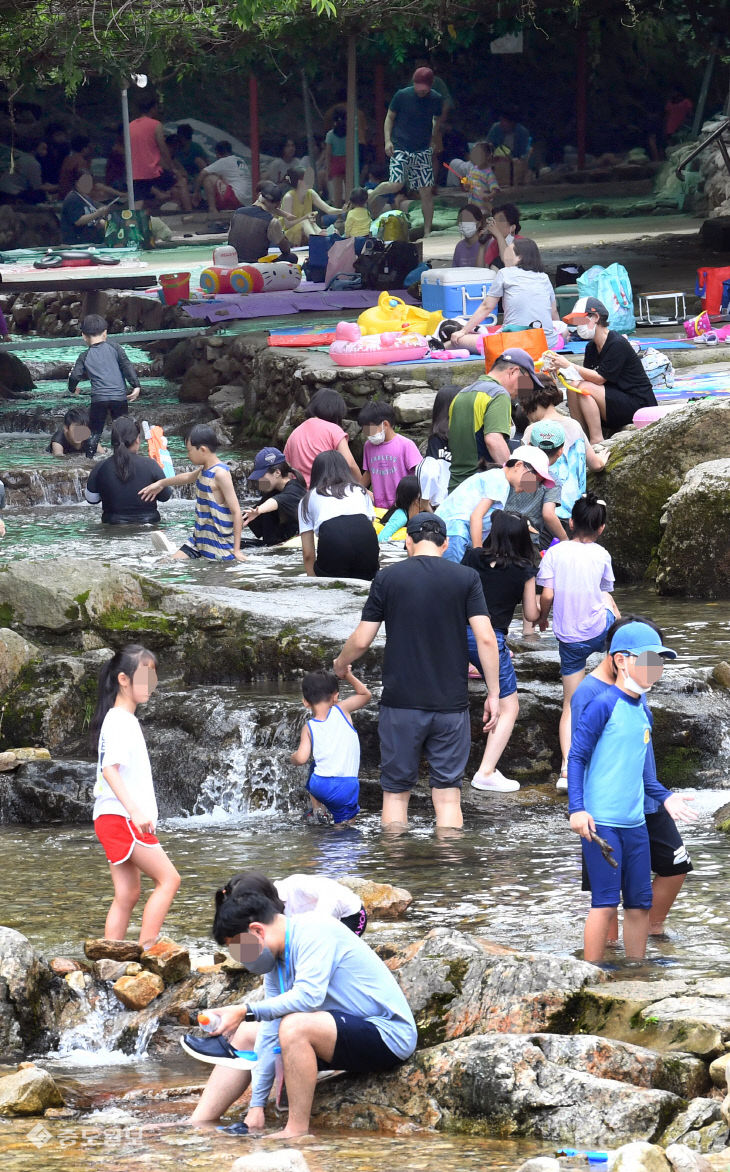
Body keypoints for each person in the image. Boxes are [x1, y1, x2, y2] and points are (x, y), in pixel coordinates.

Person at [184, 886, 418, 1137]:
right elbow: (270, 1029)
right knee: (248, 1034)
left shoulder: (315, 930)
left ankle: (296, 1130)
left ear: (256, 931)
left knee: (294, 1027)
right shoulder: (276, 961)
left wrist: (245, 1009)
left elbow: (309, 997)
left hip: (387, 1034)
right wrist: (256, 1105)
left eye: (238, 948)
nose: (240, 958)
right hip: (341, 1034)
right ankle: (197, 1123)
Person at [334, 512, 500, 830]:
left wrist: (340, 664)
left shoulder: (387, 578)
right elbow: (486, 638)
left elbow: (362, 638)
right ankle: (446, 875)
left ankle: (396, 871)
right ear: (446, 543)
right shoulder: (466, 578)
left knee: (396, 794)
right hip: (450, 705)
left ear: (408, 541)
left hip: (401, 704)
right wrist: (493, 692)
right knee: (449, 797)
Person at [568, 623, 696, 964]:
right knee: (606, 900)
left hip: (636, 822)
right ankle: (591, 976)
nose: (657, 668)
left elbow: (644, 774)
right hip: (602, 822)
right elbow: (576, 757)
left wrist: (666, 797)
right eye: (650, 660)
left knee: (639, 902)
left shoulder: (643, 710)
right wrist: (577, 809)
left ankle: (637, 972)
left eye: (661, 662)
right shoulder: (600, 702)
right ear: (621, 660)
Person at [90, 644, 180, 949]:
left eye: (153, 677)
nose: (150, 685)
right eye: (145, 676)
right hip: (123, 817)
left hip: (109, 816)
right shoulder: (119, 721)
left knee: (127, 894)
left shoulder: (120, 719)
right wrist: (137, 812)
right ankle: (147, 951)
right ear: (123, 679)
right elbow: (109, 770)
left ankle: (107, 957)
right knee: (169, 880)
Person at [537, 493, 620, 790]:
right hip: (599, 632)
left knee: (571, 704)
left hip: (570, 639)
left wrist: (543, 618)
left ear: (570, 522)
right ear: (601, 529)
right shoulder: (601, 554)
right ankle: (617, 663)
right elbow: (604, 589)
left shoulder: (556, 553)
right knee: (608, 601)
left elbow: (546, 595)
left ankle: (566, 771)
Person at [462, 510, 540, 792]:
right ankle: (486, 771)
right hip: (489, 640)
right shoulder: (525, 568)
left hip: (457, 633)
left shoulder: (473, 557)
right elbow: (531, 614)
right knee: (510, 706)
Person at [544, 297, 656, 444]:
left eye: (580, 320)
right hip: (613, 401)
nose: (578, 326)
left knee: (584, 388)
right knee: (573, 387)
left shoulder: (617, 343)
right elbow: (583, 376)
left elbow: (599, 378)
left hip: (637, 404)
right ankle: (580, 437)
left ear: (595, 317)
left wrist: (568, 364)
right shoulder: (591, 347)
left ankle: (596, 439)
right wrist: (560, 367)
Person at [139, 424, 245, 562]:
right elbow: (187, 477)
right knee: (164, 563)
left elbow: (236, 512)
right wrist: (160, 483)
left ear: (202, 450)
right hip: (199, 540)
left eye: (189, 451)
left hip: (219, 545)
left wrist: (236, 551)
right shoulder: (204, 469)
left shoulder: (220, 474)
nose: (187, 455)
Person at [438, 443, 556, 565]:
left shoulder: (498, 478)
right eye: (533, 480)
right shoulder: (499, 480)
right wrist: (478, 555)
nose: (532, 486)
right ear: (519, 465)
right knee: (455, 579)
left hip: (452, 534)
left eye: (538, 484)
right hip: (455, 535)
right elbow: (476, 516)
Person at [447, 348, 543, 487]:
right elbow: (494, 440)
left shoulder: (462, 393)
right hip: (481, 487)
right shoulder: (498, 394)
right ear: (514, 371)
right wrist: (512, 477)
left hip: (456, 486)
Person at [451, 238, 567, 352]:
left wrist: (464, 331)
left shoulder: (504, 273)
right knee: (564, 330)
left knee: (460, 340)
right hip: (548, 344)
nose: (505, 256)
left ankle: (441, 348)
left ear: (520, 257)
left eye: (509, 252)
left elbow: (487, 306)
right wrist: (553, 334)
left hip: (512, 344)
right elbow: (553, 312)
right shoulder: (544, 277)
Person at [367, 67, 444, 238]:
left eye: (424, 88)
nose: (421, 90)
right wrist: (387, 140)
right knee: (396, 184)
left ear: (430, 86)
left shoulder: (436, 99)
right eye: (418, 86)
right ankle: (372, 193)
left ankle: (427, 231)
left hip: (422, 148)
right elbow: (389, 117)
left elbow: (437, 119)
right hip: (401, 145)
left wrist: (434, 137)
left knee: (426, 190)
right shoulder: (402, 95)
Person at [291, 667, 371, 824]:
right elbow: (365, 695)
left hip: (319, 785)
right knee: (345, 826)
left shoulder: (309, 726)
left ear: (306, 702)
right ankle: (338, 834)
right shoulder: (342, 710)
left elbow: (300, 758)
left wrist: (291, 758)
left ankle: (318, 811)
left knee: (314, 768)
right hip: (345, 786)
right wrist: (348, 675)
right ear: (336, 696)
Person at [520, 382, 609, 520]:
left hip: (544, 511)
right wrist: (602, 460)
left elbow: (522, 475)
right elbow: (596, 465)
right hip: (574, 511)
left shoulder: (532, 430)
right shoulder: (574, 425)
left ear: (530, 402)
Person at [68, 314, 140, 457]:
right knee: (123, 430)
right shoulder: (116, 348)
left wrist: (72, 388)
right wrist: (136, 385)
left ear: (83, 336)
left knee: (94, 432)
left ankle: (89, 459)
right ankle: (125, 457)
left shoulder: (84, 356)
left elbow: (75, 375)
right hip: (119, 397)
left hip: (99, 399)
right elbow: (127, 366)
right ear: (105, 333)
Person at [299, 451, 378, 581]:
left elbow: (308, 554)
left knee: (332, 587)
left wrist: (313, 584)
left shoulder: (307, 499)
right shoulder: (360, 490)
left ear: (316, 473)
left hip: (333, 540)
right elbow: (369, 530)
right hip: (366, 540)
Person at [216, 871, 368, 936]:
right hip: (315, 927)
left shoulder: (295, 885)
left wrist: (316, 924)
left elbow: (330, 894)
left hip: (350, 915)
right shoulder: (266, 908)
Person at [84, 417, 172, 524]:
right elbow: (165, 496)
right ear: (137, 439)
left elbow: (92, 499)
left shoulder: (101, 467)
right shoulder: (151, 465)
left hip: (113, 525)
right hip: (149, 525)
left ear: (113, 441)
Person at [507, 420, 568, 550]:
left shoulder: (514, 469)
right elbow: (548, 514)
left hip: (499, 532)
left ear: (529, 445)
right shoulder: (553, 481)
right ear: (560, 451)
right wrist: (565, 539)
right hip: (527, 542)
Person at [284, 389, 362, 489]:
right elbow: (350, 465)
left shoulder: (294, 433)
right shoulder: (333, 430)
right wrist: (362, 488)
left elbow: (287, 468)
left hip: (300, 494)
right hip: (325, 493)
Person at [129, 94, 191, 211]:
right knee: (181, 182)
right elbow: (163, 149)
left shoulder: (130, 126)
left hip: (136, 172)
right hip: (153, 170)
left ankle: (133, 224)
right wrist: (172, 168)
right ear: (153, 108)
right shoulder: (156, 125)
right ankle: (189, 212)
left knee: (138, 201)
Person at [359, 402, 421, 509]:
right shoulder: (368, 446)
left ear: (385, 424)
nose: (368, 434)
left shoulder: (406, 445)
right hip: (379, 505)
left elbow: (420, 474)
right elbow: (369, 472)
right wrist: (357, 489)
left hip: (403, 505)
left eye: (370, 429)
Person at [241, 448, 306, 547]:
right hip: (272, 546)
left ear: (277, 473)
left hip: (291, 546)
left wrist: (260, 510)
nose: (259, 479)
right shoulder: (273, 491)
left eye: (261, 475)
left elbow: (278, 501)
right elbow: (247, 516)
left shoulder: (295, 489)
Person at [228, 181, 298, 265]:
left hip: (233, 263)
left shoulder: (237, 212)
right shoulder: (271, 221)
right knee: (291, 257)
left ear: (259, 195)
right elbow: (286, 250)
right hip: (256, 267)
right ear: (278, 204)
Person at [280, 167, 342, 246]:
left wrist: (342, 210)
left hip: (309, 228)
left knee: (328, 230)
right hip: (290, 233)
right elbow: (287, 224)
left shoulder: (311, 193)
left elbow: (328, 209)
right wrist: (305, 217)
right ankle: (318, 242)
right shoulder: (288, 197)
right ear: (300, 182)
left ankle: (326, 238)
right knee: (306, 222)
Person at [60, 169, 114, 246]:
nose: (88, 184)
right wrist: (98, 213)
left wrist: (110, 226)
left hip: (91, 242)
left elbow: (95, 221)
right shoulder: (72, 198)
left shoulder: (87, 199)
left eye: (90, 182)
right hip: (75, 243)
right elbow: (78, 220)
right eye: (84, 182)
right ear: (76, 183)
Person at [196, 140, 251, 213]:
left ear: (217, 154)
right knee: (220, 177)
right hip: (249, 200)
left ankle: (212, 209)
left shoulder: (224, 161)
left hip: (237, 198)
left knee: (208, 179)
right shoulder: (240, 160)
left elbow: (202, 173)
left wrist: (196, 192)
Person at [448, 143, 499, 215]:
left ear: (487, 156)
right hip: (472, 203)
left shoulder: (488, 173)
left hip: (483, 205)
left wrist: (489, 196)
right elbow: (467, 185)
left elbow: (495, 189)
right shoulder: (472, 170)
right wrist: (466, 185)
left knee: (484, 219)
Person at [377, 474, 430, 543]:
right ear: (416, 500)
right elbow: (381, 539)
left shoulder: (418, 514)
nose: (429, 498)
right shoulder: (400, 516)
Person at [482, 203, 523, 269]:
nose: (495, 224)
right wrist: (482, 244)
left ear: (512, 227)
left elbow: (508, 262)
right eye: (494, 220)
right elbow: (486, 269)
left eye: (500, 220)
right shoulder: (494, 244)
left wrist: (498, 235)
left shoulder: (521, 242)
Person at [325, 109, 347, 206]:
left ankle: (338, 217)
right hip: (347, 160)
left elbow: (328, 154)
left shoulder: (330, 135)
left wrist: (328, 170)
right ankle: (350, 211)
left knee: (337, 192)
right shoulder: (350, 133)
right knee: (349, 190)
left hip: (335, 162)